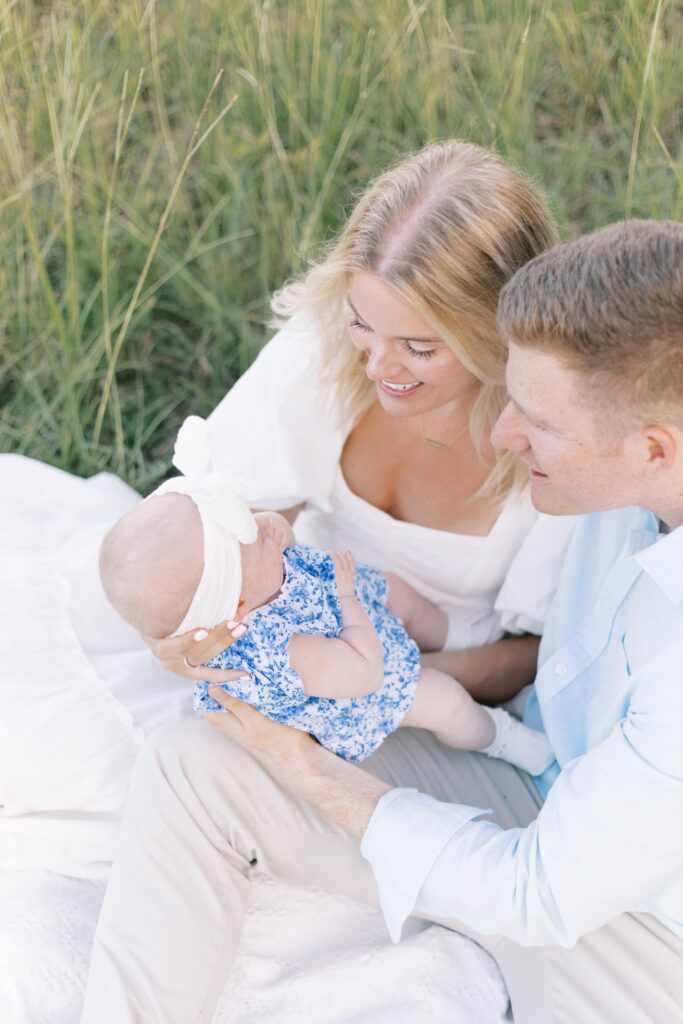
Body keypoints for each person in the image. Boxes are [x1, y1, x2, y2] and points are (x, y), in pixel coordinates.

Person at [80, 141, 578, 1021]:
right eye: (363, 324)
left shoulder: (546, 441)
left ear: (495, 337)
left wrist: (375, 679)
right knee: (143, 743)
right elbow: (216, 507)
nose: (380, 367)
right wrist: (200, 627)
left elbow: (540, 654)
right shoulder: (323, 356)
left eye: (420, 346)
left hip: (431, 691)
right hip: (291, 620)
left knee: (195, 764)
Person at [99, 467, 553, 771]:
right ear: (237, 606)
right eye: (252, 535)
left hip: (345, 615)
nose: (262, 525)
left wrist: (275, 532)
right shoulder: (284, 652)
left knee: (396, 590)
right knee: (446, 701)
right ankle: (499, 737)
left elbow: (277, 556)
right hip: (361, 682)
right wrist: (349, 598)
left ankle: (462, 636)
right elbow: (364, 670)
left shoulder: (253, 582)